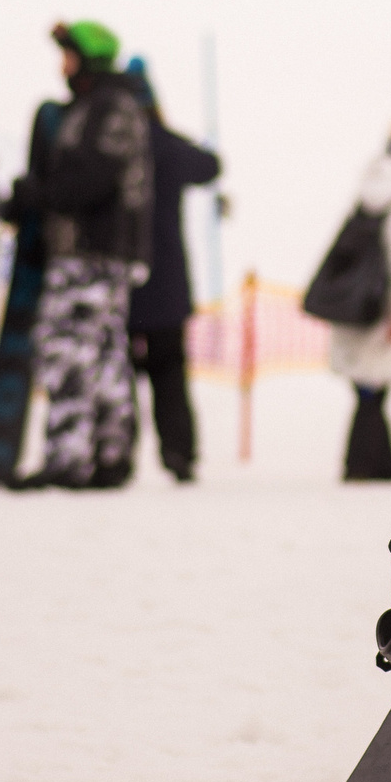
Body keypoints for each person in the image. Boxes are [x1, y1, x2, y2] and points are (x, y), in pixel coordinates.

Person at [10, 20, 152, 489]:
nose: (62, 65)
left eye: (69, 55)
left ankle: (67, 457)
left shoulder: (109, 109)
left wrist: (40, 194)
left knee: (68, 350)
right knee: (105, 352)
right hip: (99, 252)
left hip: (91, 251)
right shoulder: (97, 107)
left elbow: (92, 180)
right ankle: (111, 453)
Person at [120, 65, 221, 483]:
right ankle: (179, 453)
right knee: (169, 373)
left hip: (121, 278)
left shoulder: (114, 144)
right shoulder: (165, 145)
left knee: (118, 374)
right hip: (166, 283)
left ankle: (117, 451)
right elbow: (210, 165)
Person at [328, 125, 391, 482]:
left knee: (367, 389)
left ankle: (374, 461)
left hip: (357, 305)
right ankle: (367, 464)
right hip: (383, 306)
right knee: (373, 391)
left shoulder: (366, 191)